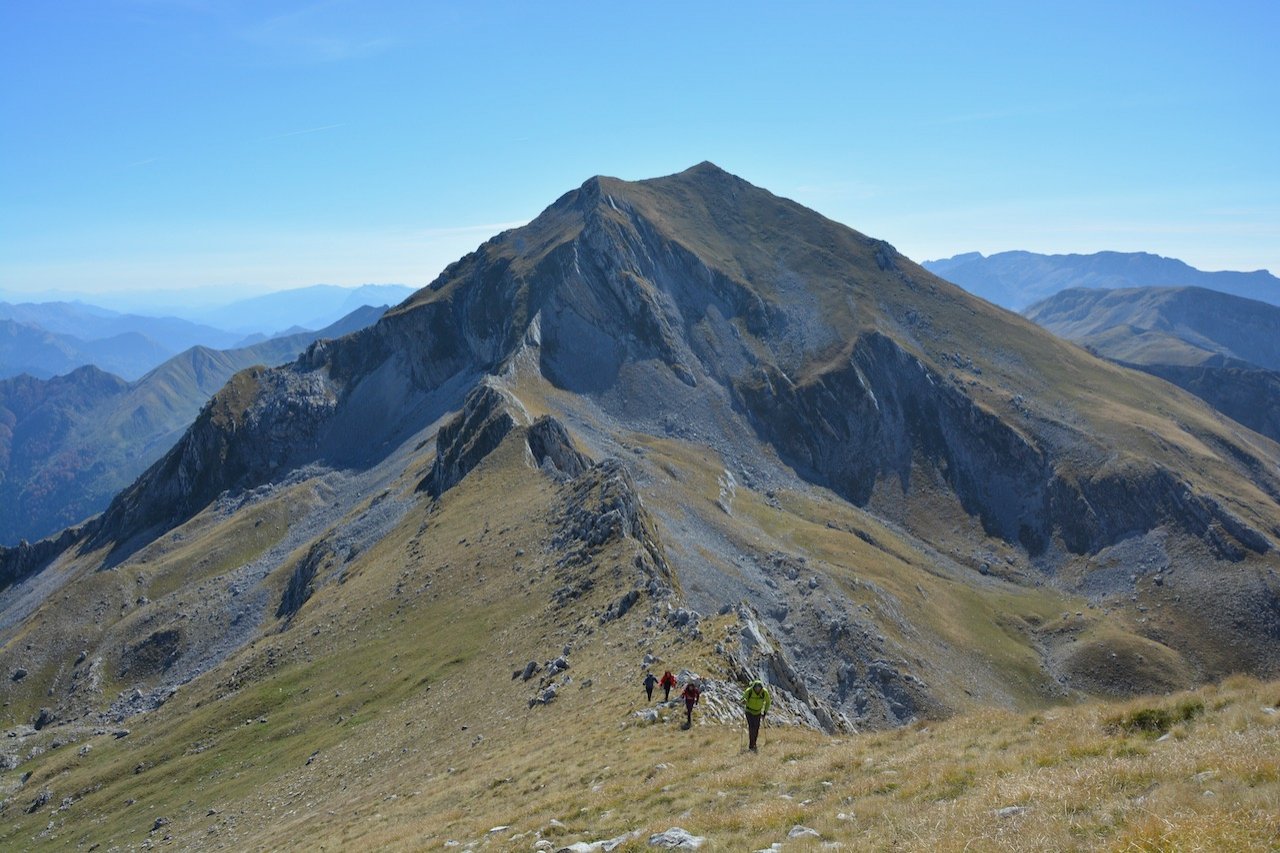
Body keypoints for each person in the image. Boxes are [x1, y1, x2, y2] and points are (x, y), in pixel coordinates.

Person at [741, 679, 771, 751]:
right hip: (749, 712)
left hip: (758, 712)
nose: (757, 689)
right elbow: (743, 697)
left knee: (756, 728)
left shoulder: (764, 692)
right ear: (753, 687)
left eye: (759, 687)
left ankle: (754, 743)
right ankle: (751, 745)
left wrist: (765, 712)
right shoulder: (749, 691)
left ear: (761, 687)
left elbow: (768, 702)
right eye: (756, 687)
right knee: (752, 728)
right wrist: (743, 700)